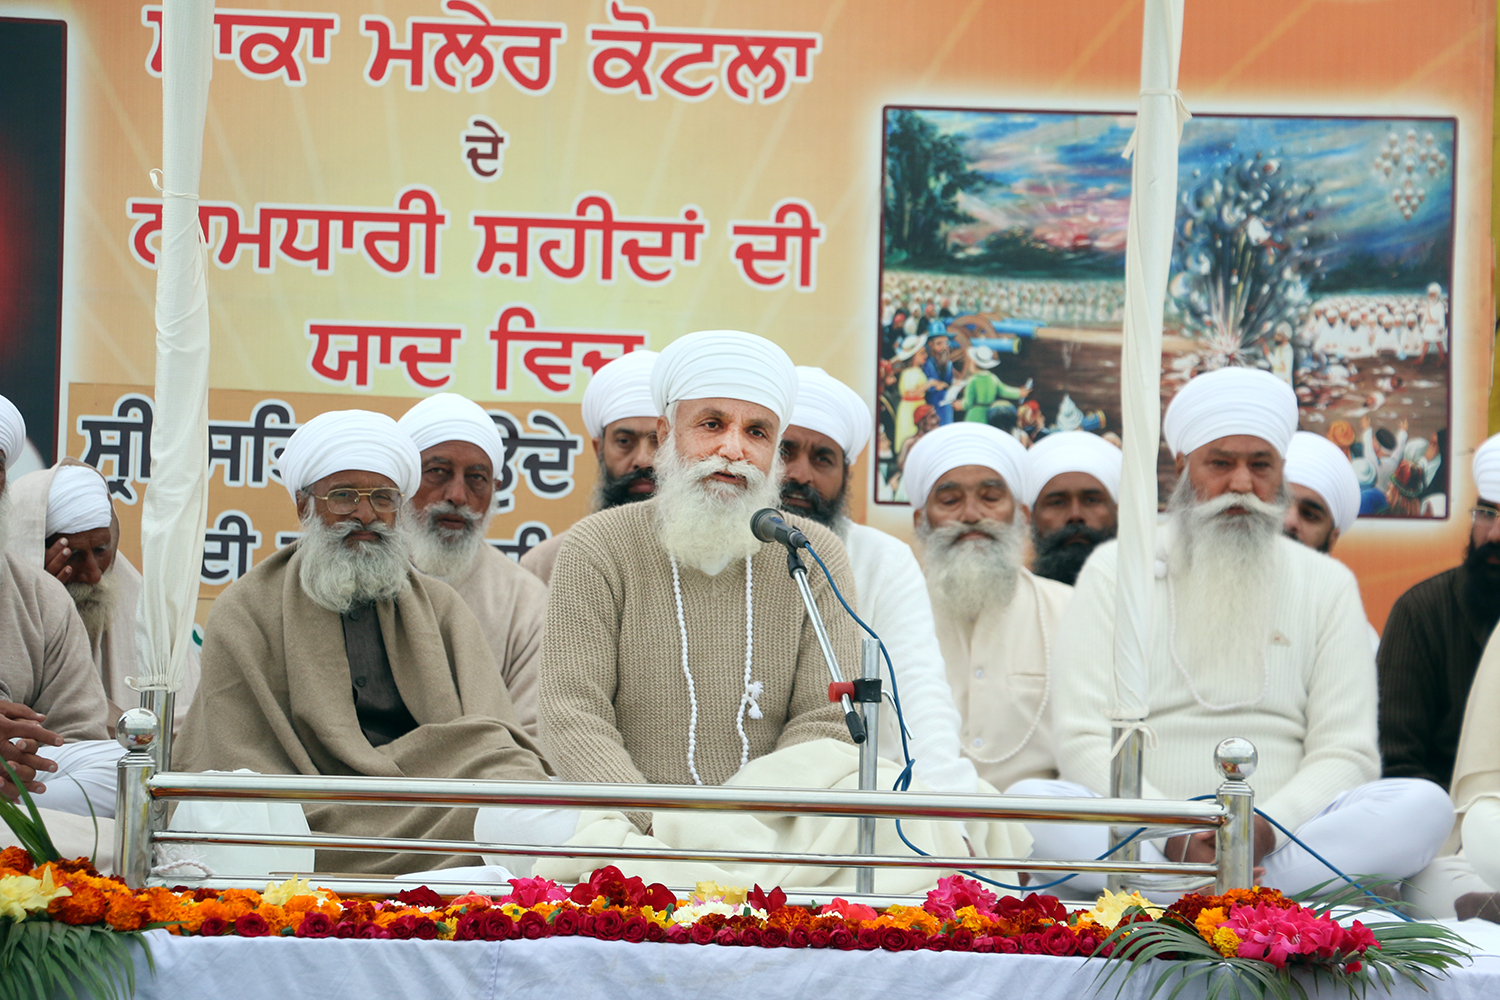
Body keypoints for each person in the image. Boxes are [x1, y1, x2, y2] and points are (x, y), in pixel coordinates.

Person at [535, 332, 1027, 891]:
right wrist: (656, 824)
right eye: (712, 424)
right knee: (517, 823)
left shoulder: (813, 553)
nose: (733, 450)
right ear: (667, 436)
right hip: (631, 824)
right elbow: (572, 712)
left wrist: (742, 826)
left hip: (777, 830)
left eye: (757, 432)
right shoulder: (597, 546)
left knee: (907, 829)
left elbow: (824, 721)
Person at [1020, 367, 1451, 897]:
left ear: (1281, 472)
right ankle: (1228, 891)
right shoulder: (1116, 570)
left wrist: (1261, 831)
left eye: (1260, 465)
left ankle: (1200, 891)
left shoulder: (1327, 583)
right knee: (1031, 803)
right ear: (1183, 467)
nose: (1242, 485)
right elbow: (1083, 737)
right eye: (1221, 464)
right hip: (1150, 836)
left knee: (1424, 806)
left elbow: (1346, 752)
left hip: (1284, 841)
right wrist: (1176, 832)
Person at [174, 409, 552, 875]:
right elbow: (235, 758)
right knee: (246, 825)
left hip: (431, 804)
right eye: (343, 496)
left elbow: (495, 745)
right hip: (309, 816)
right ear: (303, 505)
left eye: (383, 498)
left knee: (516, 792)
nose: (366, 514)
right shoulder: (246, 610)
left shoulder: (441, 607)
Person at [780, 366, 977, 794]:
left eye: (822, 459)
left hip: (860, 791)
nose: (801, 474)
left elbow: (919, 694)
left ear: (845, 475)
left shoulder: (883, 558)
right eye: (785, 452)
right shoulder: (717, 552)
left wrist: (945, 810)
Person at [905, 422, 1072, 794]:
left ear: (1022, 515)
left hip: (1039, 819)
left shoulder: (1069, 610)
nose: (971, 514)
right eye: (950, 500)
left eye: (991, 497)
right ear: (920, 521)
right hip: (920, 817)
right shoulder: (892, 612)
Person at [5, 459, 201, 732]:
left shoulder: (147, 612)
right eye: (74, 555)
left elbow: (187, 723)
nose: (94, 575)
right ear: (32, 549)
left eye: (101, 551)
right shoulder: (18, 599)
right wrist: (40, 603)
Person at [397, 393, 550, 738]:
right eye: (438, 472)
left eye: (476, 478)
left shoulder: (523, 600)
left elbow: (533, 738)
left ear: (495, 489)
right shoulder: (355, 576)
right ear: (402, 480)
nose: (457, 496)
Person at [0, 395, 117, 838]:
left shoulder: (41, 595)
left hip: (20, 780)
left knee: (122, 768)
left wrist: (20, 750)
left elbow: (78, 734)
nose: (92, 572)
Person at [1378, 433, 1500, 793]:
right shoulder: (1421, 612)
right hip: (1450, 814)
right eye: (1487, 513)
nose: (1494, 534)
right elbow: (1395, 763)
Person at [520, 350, 660, 585]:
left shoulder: (714, 561)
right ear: (599, 449)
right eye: (624, 442)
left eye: (659, 442)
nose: (643, 460)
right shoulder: (546, 564)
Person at [1024, 431, 1121, 586]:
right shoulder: (1016, 599)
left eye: (1091, 500)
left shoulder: (1148, 594)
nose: (1075, 515)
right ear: (1030, 516)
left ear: (1117, 511)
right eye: (1057, 502)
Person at [959, 345, 1028, 424]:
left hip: (974, 415)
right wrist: (1019, 393)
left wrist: (960, 404)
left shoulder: (973, 380)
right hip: (988, 414)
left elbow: (968, 403)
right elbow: (1004, 390)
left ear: (973, 363)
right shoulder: (993, 378)